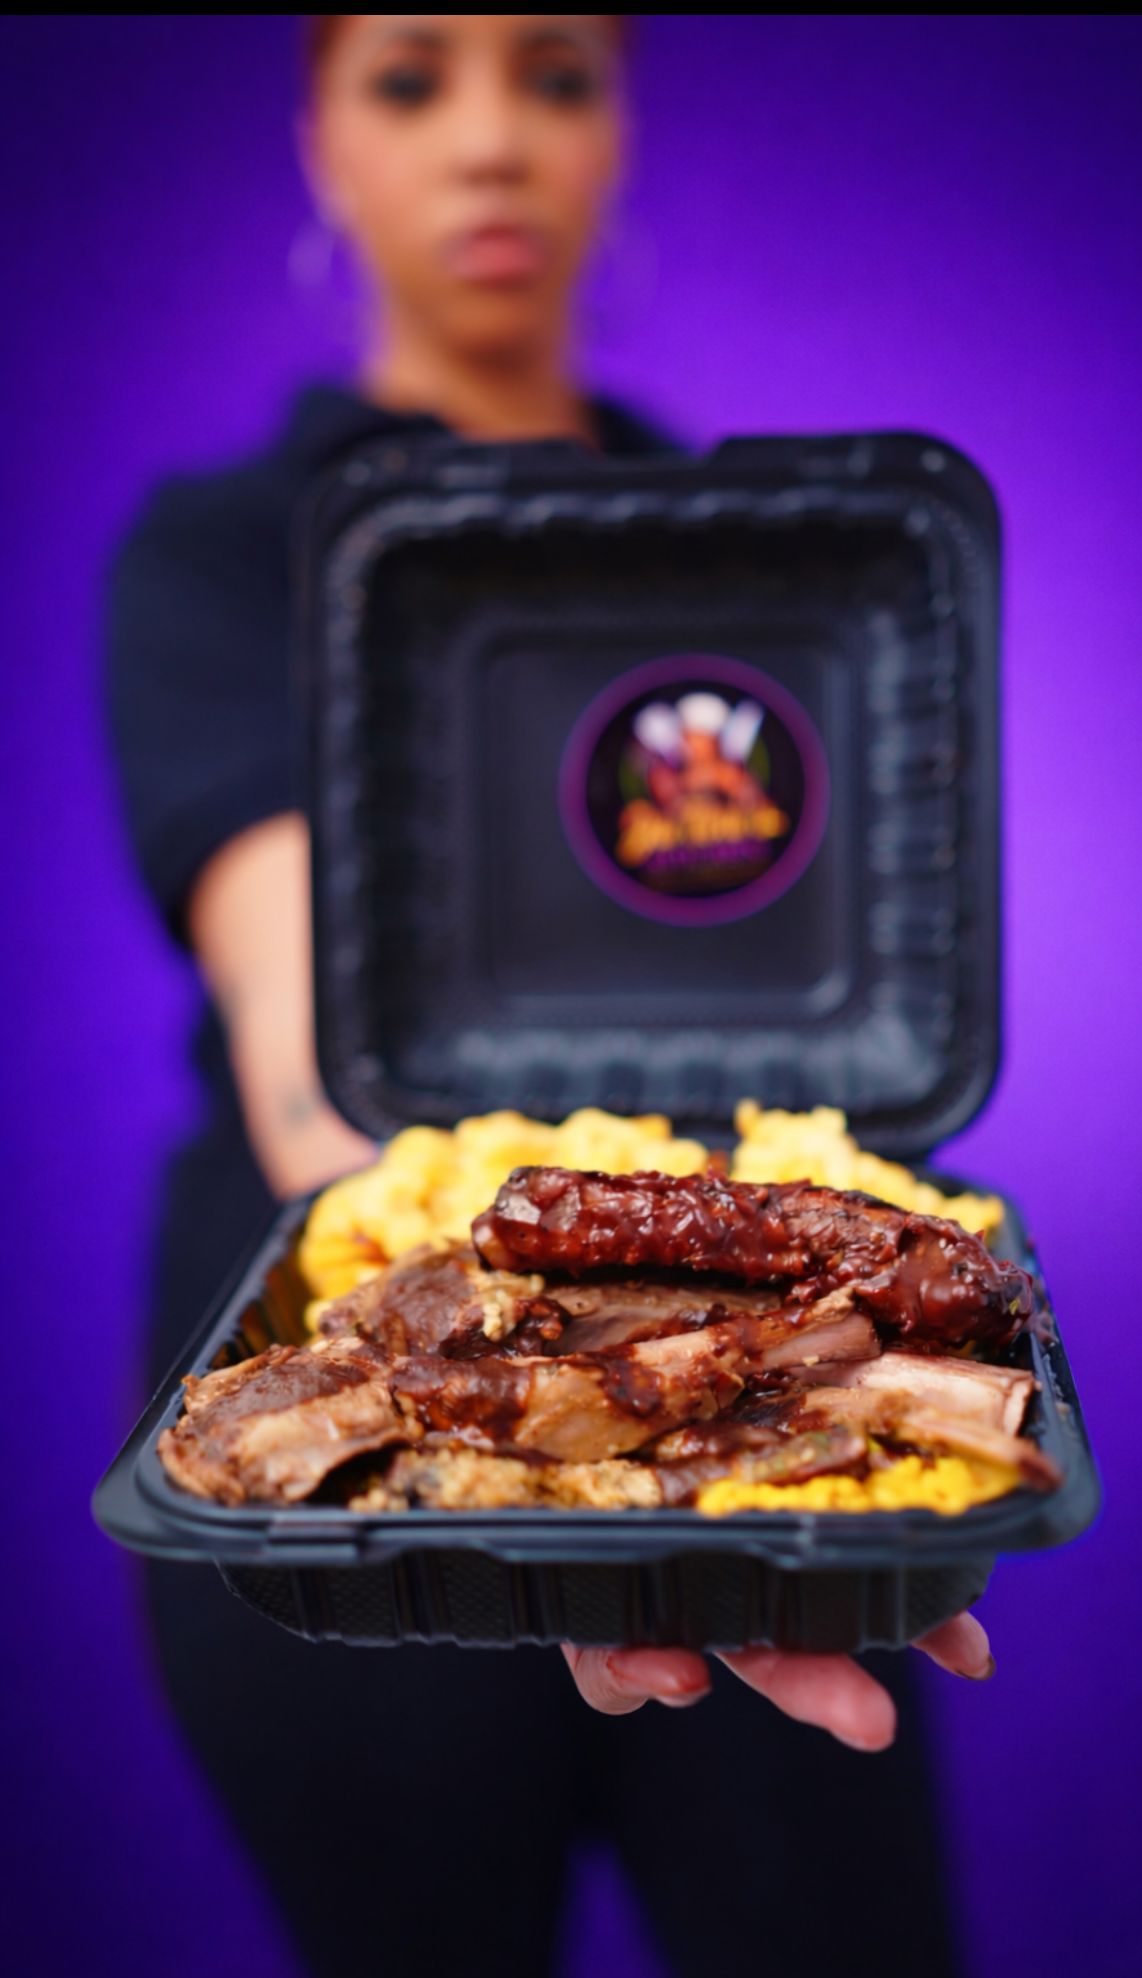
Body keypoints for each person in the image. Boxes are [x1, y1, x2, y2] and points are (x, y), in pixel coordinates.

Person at [108, 18, 991, 1976]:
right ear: (323, 144)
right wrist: (548, 1428)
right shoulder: (221, 555)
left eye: (557, 73)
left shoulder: (765, 547)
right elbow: (313, 1070)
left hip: (776, 1398)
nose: (493, 140)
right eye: (413, 77)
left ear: (616, 132)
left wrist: (713, 1420)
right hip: (334, 1428)